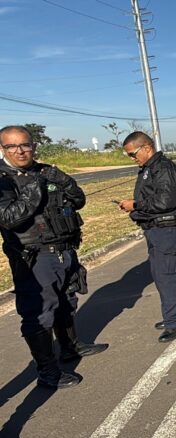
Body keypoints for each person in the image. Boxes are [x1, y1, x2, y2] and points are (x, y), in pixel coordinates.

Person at [0, 125, 107, 389]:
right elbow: (9, 218)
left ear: (33, 145)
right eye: (12, 146)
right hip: (34, 258)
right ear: (3, 149)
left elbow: (77, 199)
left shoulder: (45, 170)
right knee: (39, 313)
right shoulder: (3, 180)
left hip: (64, 249)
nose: (20, 150)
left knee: (66, 302)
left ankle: (70, 347)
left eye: (25, 144)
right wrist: (35, 187)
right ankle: (48, 371)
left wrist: (62, 178)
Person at [117, 131, 176, 343]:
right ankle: (174, 315)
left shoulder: (164, 169)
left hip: (165, 229)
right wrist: (134, 204)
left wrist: (136, 205)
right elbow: (153, 197)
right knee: (161, 275)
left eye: (133, 154)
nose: (132, 159)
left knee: (166, 275)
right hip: (155, 228)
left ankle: (175, 321)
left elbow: (165, 201)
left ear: (147, 148)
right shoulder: (150, 168)